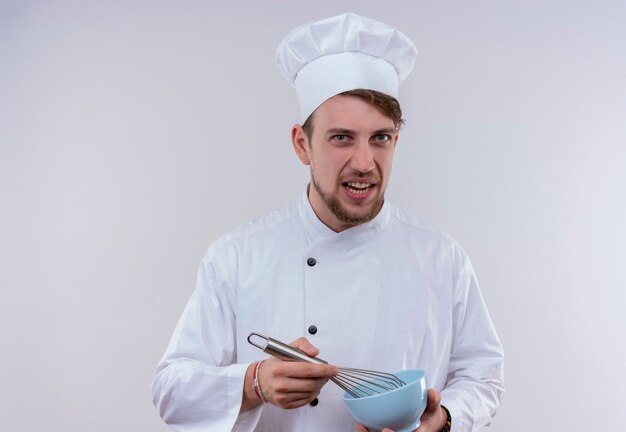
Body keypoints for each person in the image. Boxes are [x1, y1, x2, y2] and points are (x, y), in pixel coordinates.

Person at [152, 12, 504, 432]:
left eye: (381, 138)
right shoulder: (237, 256)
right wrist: (252, 383)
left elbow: (483, 375)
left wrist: (444, 419)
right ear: (302, 144)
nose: (364, 163)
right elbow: (170, 389)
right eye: (341, 138)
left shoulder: (441, 257)